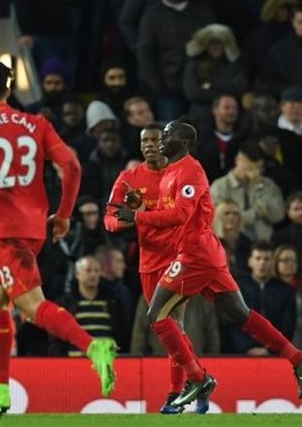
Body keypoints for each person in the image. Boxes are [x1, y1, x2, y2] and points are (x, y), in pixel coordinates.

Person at [0, 60, 117, 422]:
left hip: (4, 232)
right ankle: (1, 390)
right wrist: (65, 213)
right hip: (35, 227)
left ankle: (93, 346)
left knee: (31, 307)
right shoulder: (36, 124)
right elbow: (71, 166)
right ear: (9, 91)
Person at [112, 120, 302, 409]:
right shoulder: (171, 172)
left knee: (157, 315)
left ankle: (197, 378)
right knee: (241, 315)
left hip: (195, 255)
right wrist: (144, 208)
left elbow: (182, 215)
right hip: (206, 254)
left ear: (183, 143)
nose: (161, 139)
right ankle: (299, 357)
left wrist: (138, 219)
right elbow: (172, 212)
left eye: (167, 135)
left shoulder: (191, 171)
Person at [104, 123, 209, 414]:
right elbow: (109, 217)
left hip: (179, 257)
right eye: (145, 141)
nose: (150, 144)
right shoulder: (129, 178)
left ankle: (178, 392)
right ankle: (199, 379)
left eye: (155, 139)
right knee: (167, 328)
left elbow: (185, 214)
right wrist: (123, 221)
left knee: (172, 323)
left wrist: (138, 216)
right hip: (148, 262)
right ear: (140, 146)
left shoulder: (179, 174)